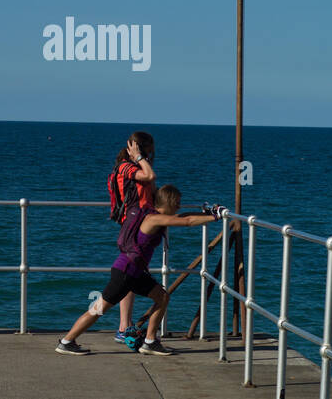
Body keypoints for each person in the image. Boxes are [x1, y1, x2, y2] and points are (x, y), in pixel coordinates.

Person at [57, 185, 222, 356]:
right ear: (168, 202)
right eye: (177, 203)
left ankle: (150, 342)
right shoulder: (152, 219)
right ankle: (67, 341)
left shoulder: (155, 216)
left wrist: (208, 213)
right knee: (98, 309)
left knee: (162, 297)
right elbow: (187, 221)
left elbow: (183, 217)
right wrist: (215, 217)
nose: (179, 206)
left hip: (134, 273)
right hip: (126, 273)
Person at [110, 132, 156, 343]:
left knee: (131, 274)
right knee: (128, 274)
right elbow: (149, 177)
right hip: (132, 229)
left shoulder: (131, 167)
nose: (152, 153)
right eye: (149, 149)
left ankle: (125, 325)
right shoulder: (127, 167)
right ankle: (123, 326)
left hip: (137, 226)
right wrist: (138, 157)